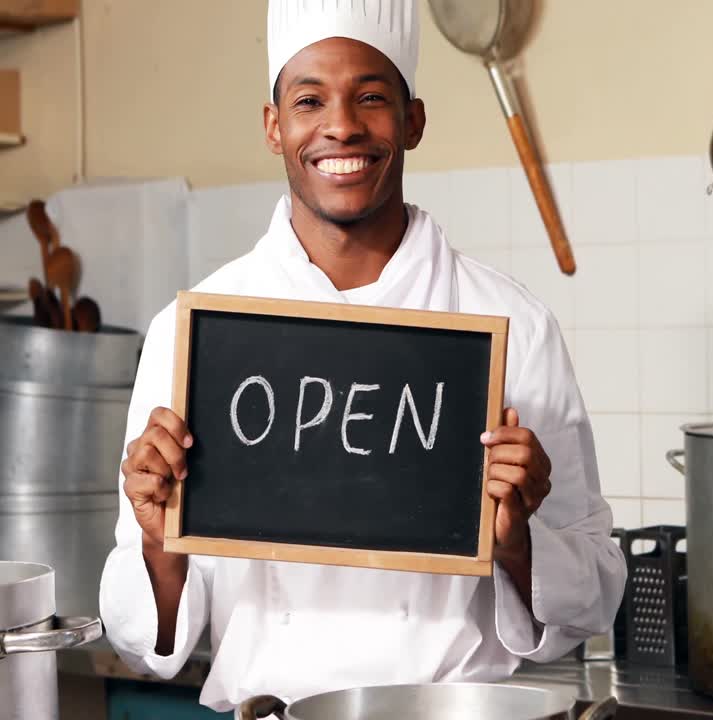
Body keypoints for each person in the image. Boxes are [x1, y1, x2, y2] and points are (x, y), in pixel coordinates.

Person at [97, 0, 626, 711]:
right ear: (273, 127)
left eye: (371, 97)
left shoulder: (511, 325)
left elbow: (594, 593)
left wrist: (518, 544)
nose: (341, 124)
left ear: (413, 120)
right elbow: (142, 642)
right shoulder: (194, 334)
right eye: (310, 99)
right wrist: (161, 542)